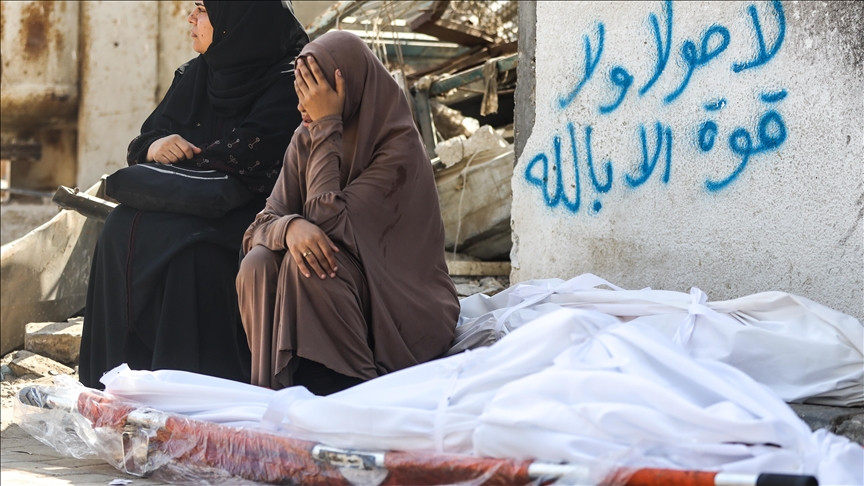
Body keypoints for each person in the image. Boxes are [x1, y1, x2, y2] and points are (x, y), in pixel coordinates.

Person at [78, 1, 308, 389]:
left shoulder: (288, 82)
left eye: (202, 10)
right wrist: (157, 147)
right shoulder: (197, 75)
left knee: (192, 257)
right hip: (192, 201)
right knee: (120, 226)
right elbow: (144, 140)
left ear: (237, 21)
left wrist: (185, 165)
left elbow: (247, 159)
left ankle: (186, 391)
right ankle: (113, 383)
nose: (191, 19)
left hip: (255, 215)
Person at [236, 31, 460, 396]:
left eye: (316, 94)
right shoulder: (305, 139)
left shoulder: (396, 146)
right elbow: (258, 229)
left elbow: (331, 228)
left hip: (402, 311)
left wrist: (327, 128)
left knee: (307, 266)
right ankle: (271, 392)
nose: (303, 109)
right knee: (258, 262)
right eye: (301, 94)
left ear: (348, 88)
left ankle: (346, 388)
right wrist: (290, 228)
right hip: (343, 290)